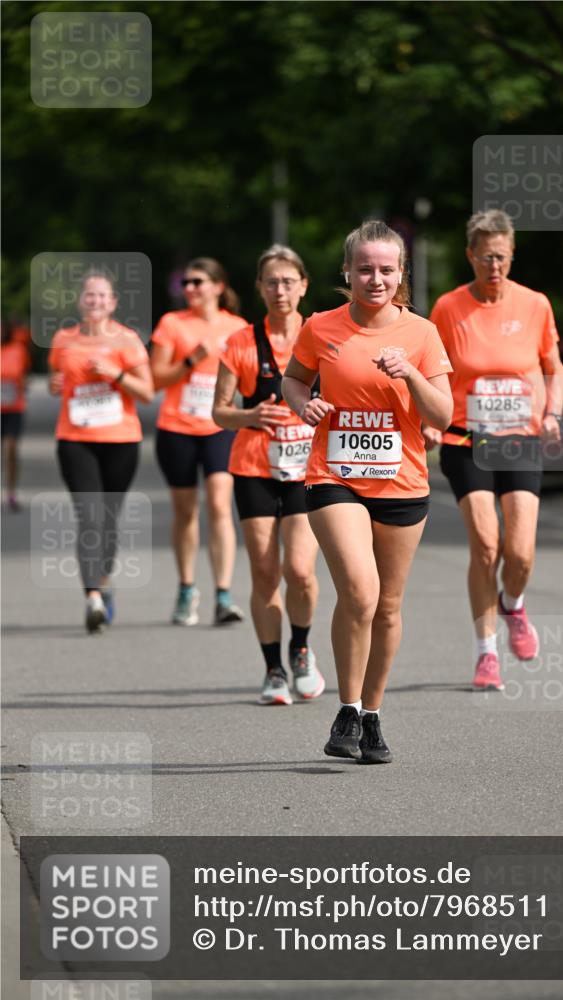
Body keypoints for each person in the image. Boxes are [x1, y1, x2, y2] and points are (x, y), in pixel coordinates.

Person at [282, 220, 453, 763]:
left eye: (385, 269)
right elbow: (293, 378)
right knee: (359, 590)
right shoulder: (321, 327)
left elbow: (443, 414)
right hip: (334, 476)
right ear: (347, 272)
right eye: (364, 269)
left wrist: (410, 376)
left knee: (388, 605)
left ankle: (373, 715)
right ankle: (347, 708)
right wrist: (301, 403)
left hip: (402, 481)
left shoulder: (421, 334)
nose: (374, 278)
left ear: (400, 274)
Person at [426, 209, 563, 691]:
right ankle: (486, 652)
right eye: (485, 256)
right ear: (470, 255)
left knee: (520, 552)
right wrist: (428, 419)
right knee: (486, 545)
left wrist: (553, 414)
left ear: (512, 255)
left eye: (502, 256)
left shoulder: (535, 304)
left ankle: (513, 601)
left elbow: (554, 366)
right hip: (466, 439)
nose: (494, 265)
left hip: (521, 439)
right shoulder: (448, 308)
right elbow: (432, 371)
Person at [212, 244, 325, 706]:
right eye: (271, 282)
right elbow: (219, 412)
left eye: (288, 281)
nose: (281, 290)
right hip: (254, 467)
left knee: (298, 570)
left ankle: (300, 648)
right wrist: (252, 415)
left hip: (308, 469)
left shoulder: (322, 335)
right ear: (259, 288)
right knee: (263, 571)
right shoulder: (240, 342)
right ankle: (273, 668)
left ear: (303, 286)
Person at [48, 271, 154, 632]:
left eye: (101, 296)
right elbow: (55, 379)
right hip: (75, 439)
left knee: (108, 519)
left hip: (121, 441)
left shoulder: (127, 340)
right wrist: (55, 383)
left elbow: (146, 392)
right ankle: (92, 596)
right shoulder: (64, 339)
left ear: (113, 303)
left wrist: (115, 374)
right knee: (89, 516)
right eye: (89, 296)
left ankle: (103, 583)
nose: (94, 301)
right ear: (81, 302)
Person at [150, 258, 247, 626]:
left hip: (220, 427)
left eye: (197, 282)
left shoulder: (237, 327)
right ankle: (187, 587)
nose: (190, 289)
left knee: (221, 505)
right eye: (186, 283)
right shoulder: (172, 324)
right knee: (186, 511)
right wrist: (193, 358)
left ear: (218, 287)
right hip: (177, 427)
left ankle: (223, 593)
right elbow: (156, 379)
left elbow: (248, 377)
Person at [1, 319, 31, 511]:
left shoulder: (18, 350)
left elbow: (25, 375)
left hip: (13, 408)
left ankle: (11, 492)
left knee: (11, 450)